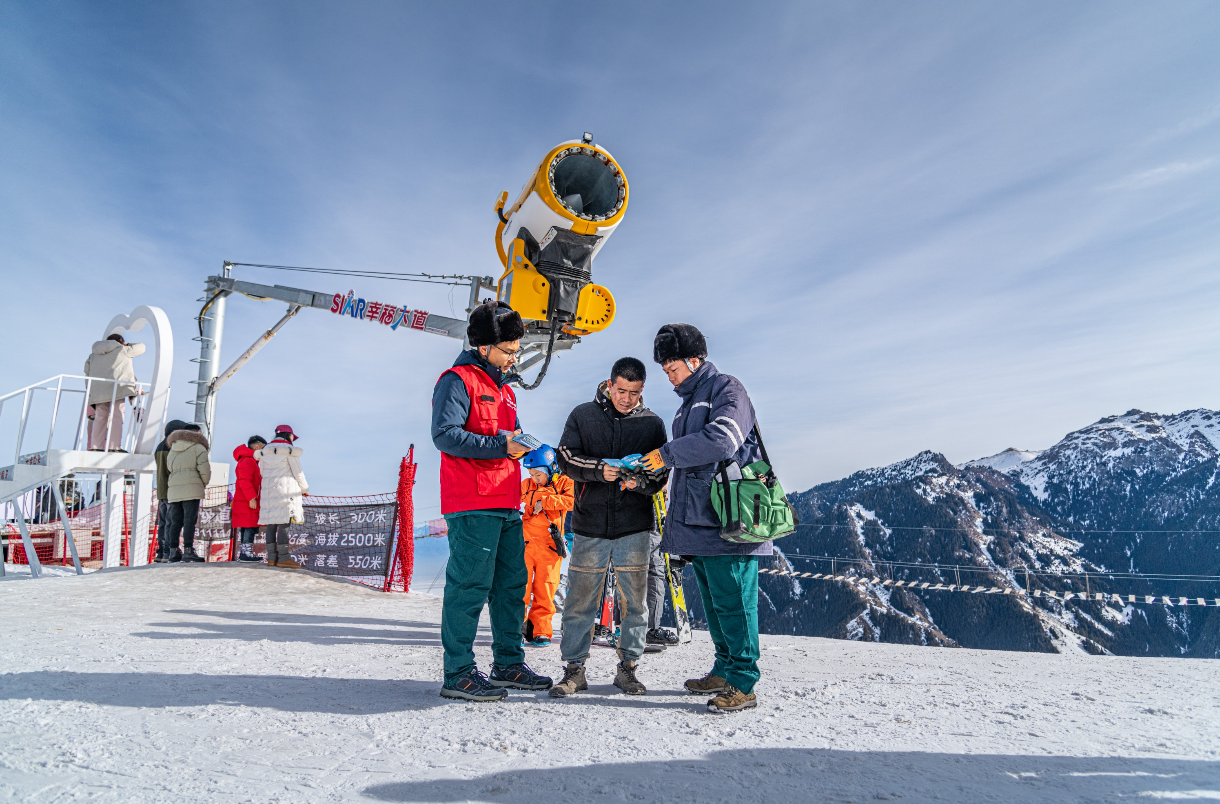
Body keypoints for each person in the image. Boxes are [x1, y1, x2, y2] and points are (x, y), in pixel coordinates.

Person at [640, 323, 768, 713]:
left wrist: (666, 454)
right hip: (703, 517)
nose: (669, 375)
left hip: (731, 516)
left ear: (695, 360)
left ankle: (743, 682)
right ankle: (725, 668)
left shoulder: (727, 389)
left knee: (735, 602)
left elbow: (723, 440)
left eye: (672, 367)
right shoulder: (691, 399)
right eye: (665, 370)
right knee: (715, 602)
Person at [431, 300, 552, 702]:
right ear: (483, 346)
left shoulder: (507, 391)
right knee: (469, 586)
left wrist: (532, 454)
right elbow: (445, 435)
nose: (515, 356)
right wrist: (503, 444)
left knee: (510, 586)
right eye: (509, 349)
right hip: (471, 502)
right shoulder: (457, 380)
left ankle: (508, 664)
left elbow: (512, 441)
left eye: (517, 349)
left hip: (506, 501)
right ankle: (459, 672)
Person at [550, 357, 669, 698]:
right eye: (621, 390)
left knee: (634, 603)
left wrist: (639, 480)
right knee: (580, 600)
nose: (626, 398)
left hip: (635, 526)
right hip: (589, 525)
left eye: (633, 392)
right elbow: (566, 459)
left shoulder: (652, 424)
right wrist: (601, 469)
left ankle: (628, 669)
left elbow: (661, 473)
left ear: (642, 390)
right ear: (609, 383)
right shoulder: (582, 415)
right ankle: (574, 671)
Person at [520, 444, 574, 647]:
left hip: (550, 548)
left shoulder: (564, 483)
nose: (535, 478)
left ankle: (541, 630)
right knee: (520, 589)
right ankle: (517, 628)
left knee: (546, 590)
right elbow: (513, 500)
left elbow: (572, 501)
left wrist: (546, 501)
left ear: (551, 469)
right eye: (532, 474)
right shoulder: (526, 485)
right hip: (524, 545)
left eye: (538, 474)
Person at [254, 425, 308, 569]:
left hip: (269, 492)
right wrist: (304, 488)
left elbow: (262, 473)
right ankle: (284, 558)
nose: (292, 439)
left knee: (271, 523)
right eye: (292, 436)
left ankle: (271, 558)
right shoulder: (289, 452)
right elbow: (298, 473)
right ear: (288, 435)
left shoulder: (264, 453)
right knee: (284, 523)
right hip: (286, 492)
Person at [83, 333, 146, 452]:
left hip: (98, 390)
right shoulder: (123, 349)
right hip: (117, 388)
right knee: (117, 416)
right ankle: (114, 447)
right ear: (120, 341)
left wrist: (90, 389)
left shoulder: (93, 354)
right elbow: (141, 347)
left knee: (100, 417)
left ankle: (96, 447)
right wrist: (125, 344)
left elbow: (87, 371)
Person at [165, 423, 211, 563]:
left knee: (175, 522)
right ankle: (188, 551)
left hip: (173, 489)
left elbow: (169, 467)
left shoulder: (173, 448)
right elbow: (204, 470)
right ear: (197, 433)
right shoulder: (199, 448)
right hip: (192, 488)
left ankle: (173, 552)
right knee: (189, 521)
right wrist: (203, 483)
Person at [153, 419, 189, 562]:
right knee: (171, 521)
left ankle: (161, 552)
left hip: (162, 489)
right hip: (172, 489)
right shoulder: (172, 446)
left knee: (163, 522)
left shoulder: (159, 446)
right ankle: (169, 550)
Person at [232, 435, 266, 563]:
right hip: (247, 501)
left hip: (246, 500)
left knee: (249, 526)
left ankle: (246, 552)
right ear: (257, 447)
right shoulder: (248, 460)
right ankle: (246, 553)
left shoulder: (249, 460)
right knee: (249, 527)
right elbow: (244, 481)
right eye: (263, 449)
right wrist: (252, 497)